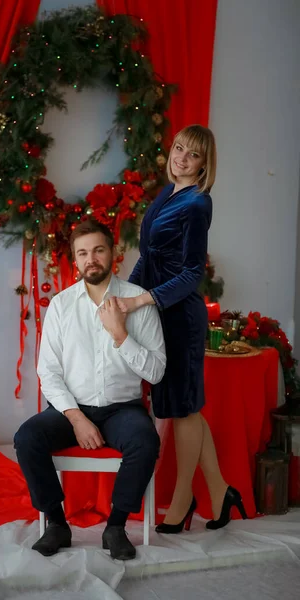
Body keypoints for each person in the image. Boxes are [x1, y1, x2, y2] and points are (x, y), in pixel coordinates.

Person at [117, 125, 247, 533]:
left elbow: (192, 274)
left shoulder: (196, 204)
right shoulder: (166, 194)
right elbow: (149, 259)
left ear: (204, 163)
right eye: (178, 149)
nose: (181, 158)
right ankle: (221, 489)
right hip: (158, 313)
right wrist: (123, 293)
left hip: (180, 317)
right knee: (182, 405)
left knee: (183, 410)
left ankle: (182, 499)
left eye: (192, 155)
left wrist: (141, 299)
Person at [14, 219, 166, 560]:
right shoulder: (61, 305)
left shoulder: (137, 302)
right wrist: (77, 418)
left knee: (145, 440)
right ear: (75, 260)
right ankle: (56, 524)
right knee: (27, 438)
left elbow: (156, 372)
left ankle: (115, 526)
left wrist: (120, 335)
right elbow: (48, 372)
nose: (91, 259)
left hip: (122, 409)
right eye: (82, 253)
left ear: (112, 253)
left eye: (98, 250)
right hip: (72, 409)